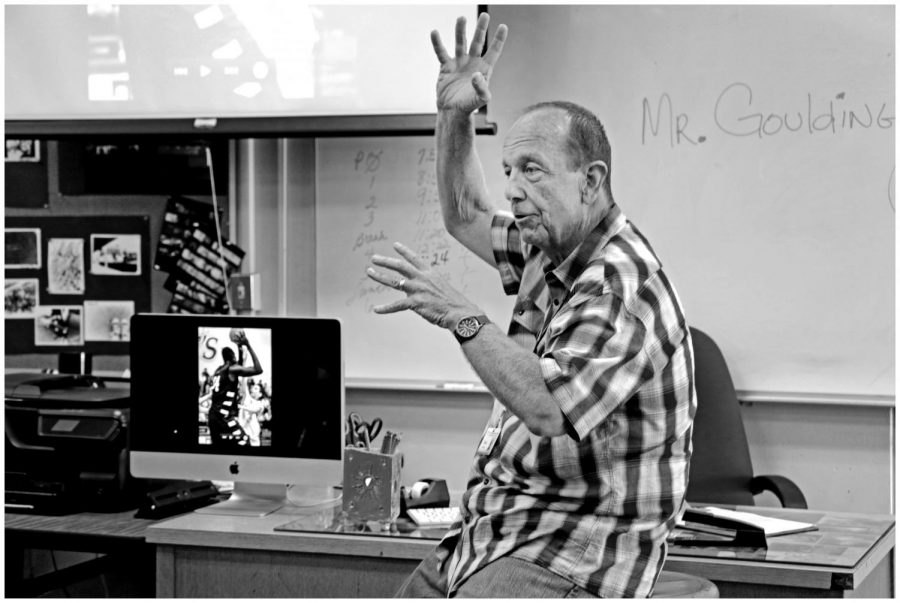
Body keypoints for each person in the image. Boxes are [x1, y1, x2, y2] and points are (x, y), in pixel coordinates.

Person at [365, 13, 696, 599]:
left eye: (533, 172)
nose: (514, 190)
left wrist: (460, 315)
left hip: (580, 543)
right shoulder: (549, 245)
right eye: (509, 171)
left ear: (591, 180)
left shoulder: (621, 284)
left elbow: (549, 408)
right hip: (501, 529)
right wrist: (453, 115)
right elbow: (464, 213)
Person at [204, 330, 263, 447]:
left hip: (213, 417)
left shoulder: (218, 370)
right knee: (244, 442)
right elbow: (258, 370)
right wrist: (248, 344)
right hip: (223, 418)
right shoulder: (232, 369)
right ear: (232, 358)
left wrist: (239, 346)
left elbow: (239, 365)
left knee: (221, 448)